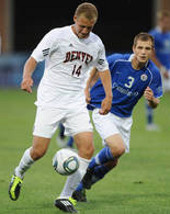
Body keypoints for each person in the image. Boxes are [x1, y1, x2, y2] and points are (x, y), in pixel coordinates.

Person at [8, 2, 113, 213]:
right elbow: (33, 59)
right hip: (51, 101)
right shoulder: (57, 36)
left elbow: (103, 68)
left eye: (89, 28)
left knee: (87, 149)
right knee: (39, 151)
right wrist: (27, 77)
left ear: (94, 25)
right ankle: (18, 174)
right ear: (75, 18)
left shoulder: (96, 43)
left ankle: (64, 197)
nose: (84, 31)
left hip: (75, 102)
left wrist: (108, 95)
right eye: (82, 26)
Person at [71, 32, 163, 202]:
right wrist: (87, 87)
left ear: (152, 51)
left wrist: (152, 101)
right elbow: (97, 66)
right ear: (133, 48)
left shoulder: (153, 73)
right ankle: (89, 168)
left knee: (112, 162)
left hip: (124, 118)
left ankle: (79, 189)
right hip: (103, 108)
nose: (143, 52)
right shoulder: (118, 60)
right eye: (140, 48)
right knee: (118, 149)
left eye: (147, 49)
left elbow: (156, 102)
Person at [146, 10, 170, 131]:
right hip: (159, 70)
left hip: (169, 70)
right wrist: (161, 69)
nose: (167, 24)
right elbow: (151, 55)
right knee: (152, 94)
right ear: (160, 22)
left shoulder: (169, 34)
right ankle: (149, 123)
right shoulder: (153, 35)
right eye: (165, 22)